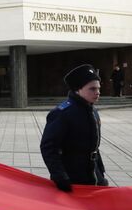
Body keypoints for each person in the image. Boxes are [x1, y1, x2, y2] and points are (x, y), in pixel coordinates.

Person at [40, 64, 109, 192]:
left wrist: (101, 173)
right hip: (71, 178)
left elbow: (94, 147)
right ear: (78, 89)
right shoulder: (62, 113)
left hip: (94, 175)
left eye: (99, 88)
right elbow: (48, 147)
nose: (98, 92)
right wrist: (60, 177)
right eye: (92, 89)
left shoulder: (92, 110)